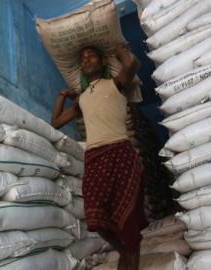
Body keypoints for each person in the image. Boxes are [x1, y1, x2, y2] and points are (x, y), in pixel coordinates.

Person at [51, 43, 147, 270]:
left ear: (103, 63)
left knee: (128, 218)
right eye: (82, 58)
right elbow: (55, 123)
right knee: (95, 217)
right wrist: (63, 96)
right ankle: (123, 251)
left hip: (121, 153)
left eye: (91, 56)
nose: (85, 60)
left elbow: (132, 63)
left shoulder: (116, 84)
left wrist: (120, 50)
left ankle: (132, 258)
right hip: (95, 158)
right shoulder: (81, 99)